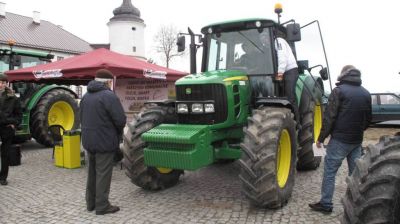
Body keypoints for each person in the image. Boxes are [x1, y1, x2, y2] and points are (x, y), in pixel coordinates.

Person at [309, 65, 372, 213]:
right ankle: (355, 204)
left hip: (339, 141)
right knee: (354, 173)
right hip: (357, 141)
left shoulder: (339, 91)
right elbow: (369, 119)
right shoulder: (366, 93)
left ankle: (325, 204)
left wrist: (320, 138)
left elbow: (329, 117)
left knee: (330, 172)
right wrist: (358, 131)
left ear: (343, 75)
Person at [80, 69, 126, 215]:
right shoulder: (108, 96)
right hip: (104, 141)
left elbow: (79, 116)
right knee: (103, 174)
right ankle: (102, 206)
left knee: (92, 173)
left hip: (89, 140)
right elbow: (120, 120)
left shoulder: (86, 96)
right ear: (108, 81)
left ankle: (91, 203)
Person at [0, 73, 22, 186]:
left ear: (6, 83)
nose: (1, 84)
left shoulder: (12, 98)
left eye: (3, 82)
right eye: (0, 82)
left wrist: (14, 124)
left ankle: (3, 177)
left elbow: (19, 114)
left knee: (5, 154)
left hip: (6, 128)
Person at [274, 29, 299, 117]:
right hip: (283, 71)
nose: (263, 39)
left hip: (290, 70)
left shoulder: (279, 41)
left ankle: (297, 123)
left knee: (290, 97)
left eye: (264, 36)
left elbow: (282, 58)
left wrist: (279, 74)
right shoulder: (269, 44)